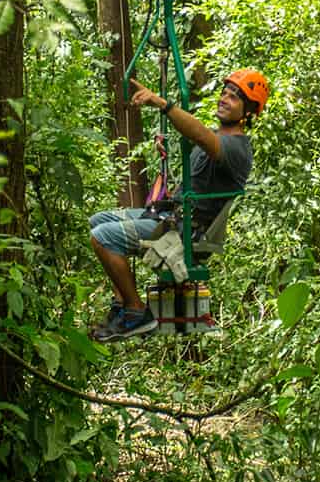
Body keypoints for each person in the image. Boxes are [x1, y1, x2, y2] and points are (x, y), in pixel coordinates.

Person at [88, 68, 269, 341]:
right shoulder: (218, 138)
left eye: (234, 97)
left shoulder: (236, 148)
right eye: (225, 93)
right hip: (173, 216)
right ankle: (122, 306)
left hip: (185, 230)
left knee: (102, 237)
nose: (224, 99)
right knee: (98, 220)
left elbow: (198, 135)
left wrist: (163, 104)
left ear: (248, 111)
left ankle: (137, 312)